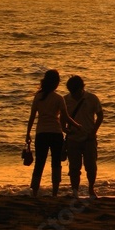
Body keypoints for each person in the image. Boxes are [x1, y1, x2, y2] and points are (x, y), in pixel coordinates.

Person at [25, 69, 81, 197]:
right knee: (56, 163)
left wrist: (28, 133)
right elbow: (66, 117)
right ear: (56, 83)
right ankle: (55, 192)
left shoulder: (38, 97)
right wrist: (77, 126)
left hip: (41, 133)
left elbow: (32, 117)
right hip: (55, 133)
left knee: (39, 162)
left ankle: (35, 191)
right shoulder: (58, 98)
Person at [63, 75, 104, 199]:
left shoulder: (92, 98)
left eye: (76, 91)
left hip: (89, 138)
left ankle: (91, 189)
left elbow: (100, 116)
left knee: (91, 166)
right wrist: (64, 129)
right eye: (72, 92)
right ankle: (75, 192)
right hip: (73, 138)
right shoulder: (65, 100)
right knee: (74, 167)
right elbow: (62, 118)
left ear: (82, 88)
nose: (74, 94)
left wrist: (93, 131)